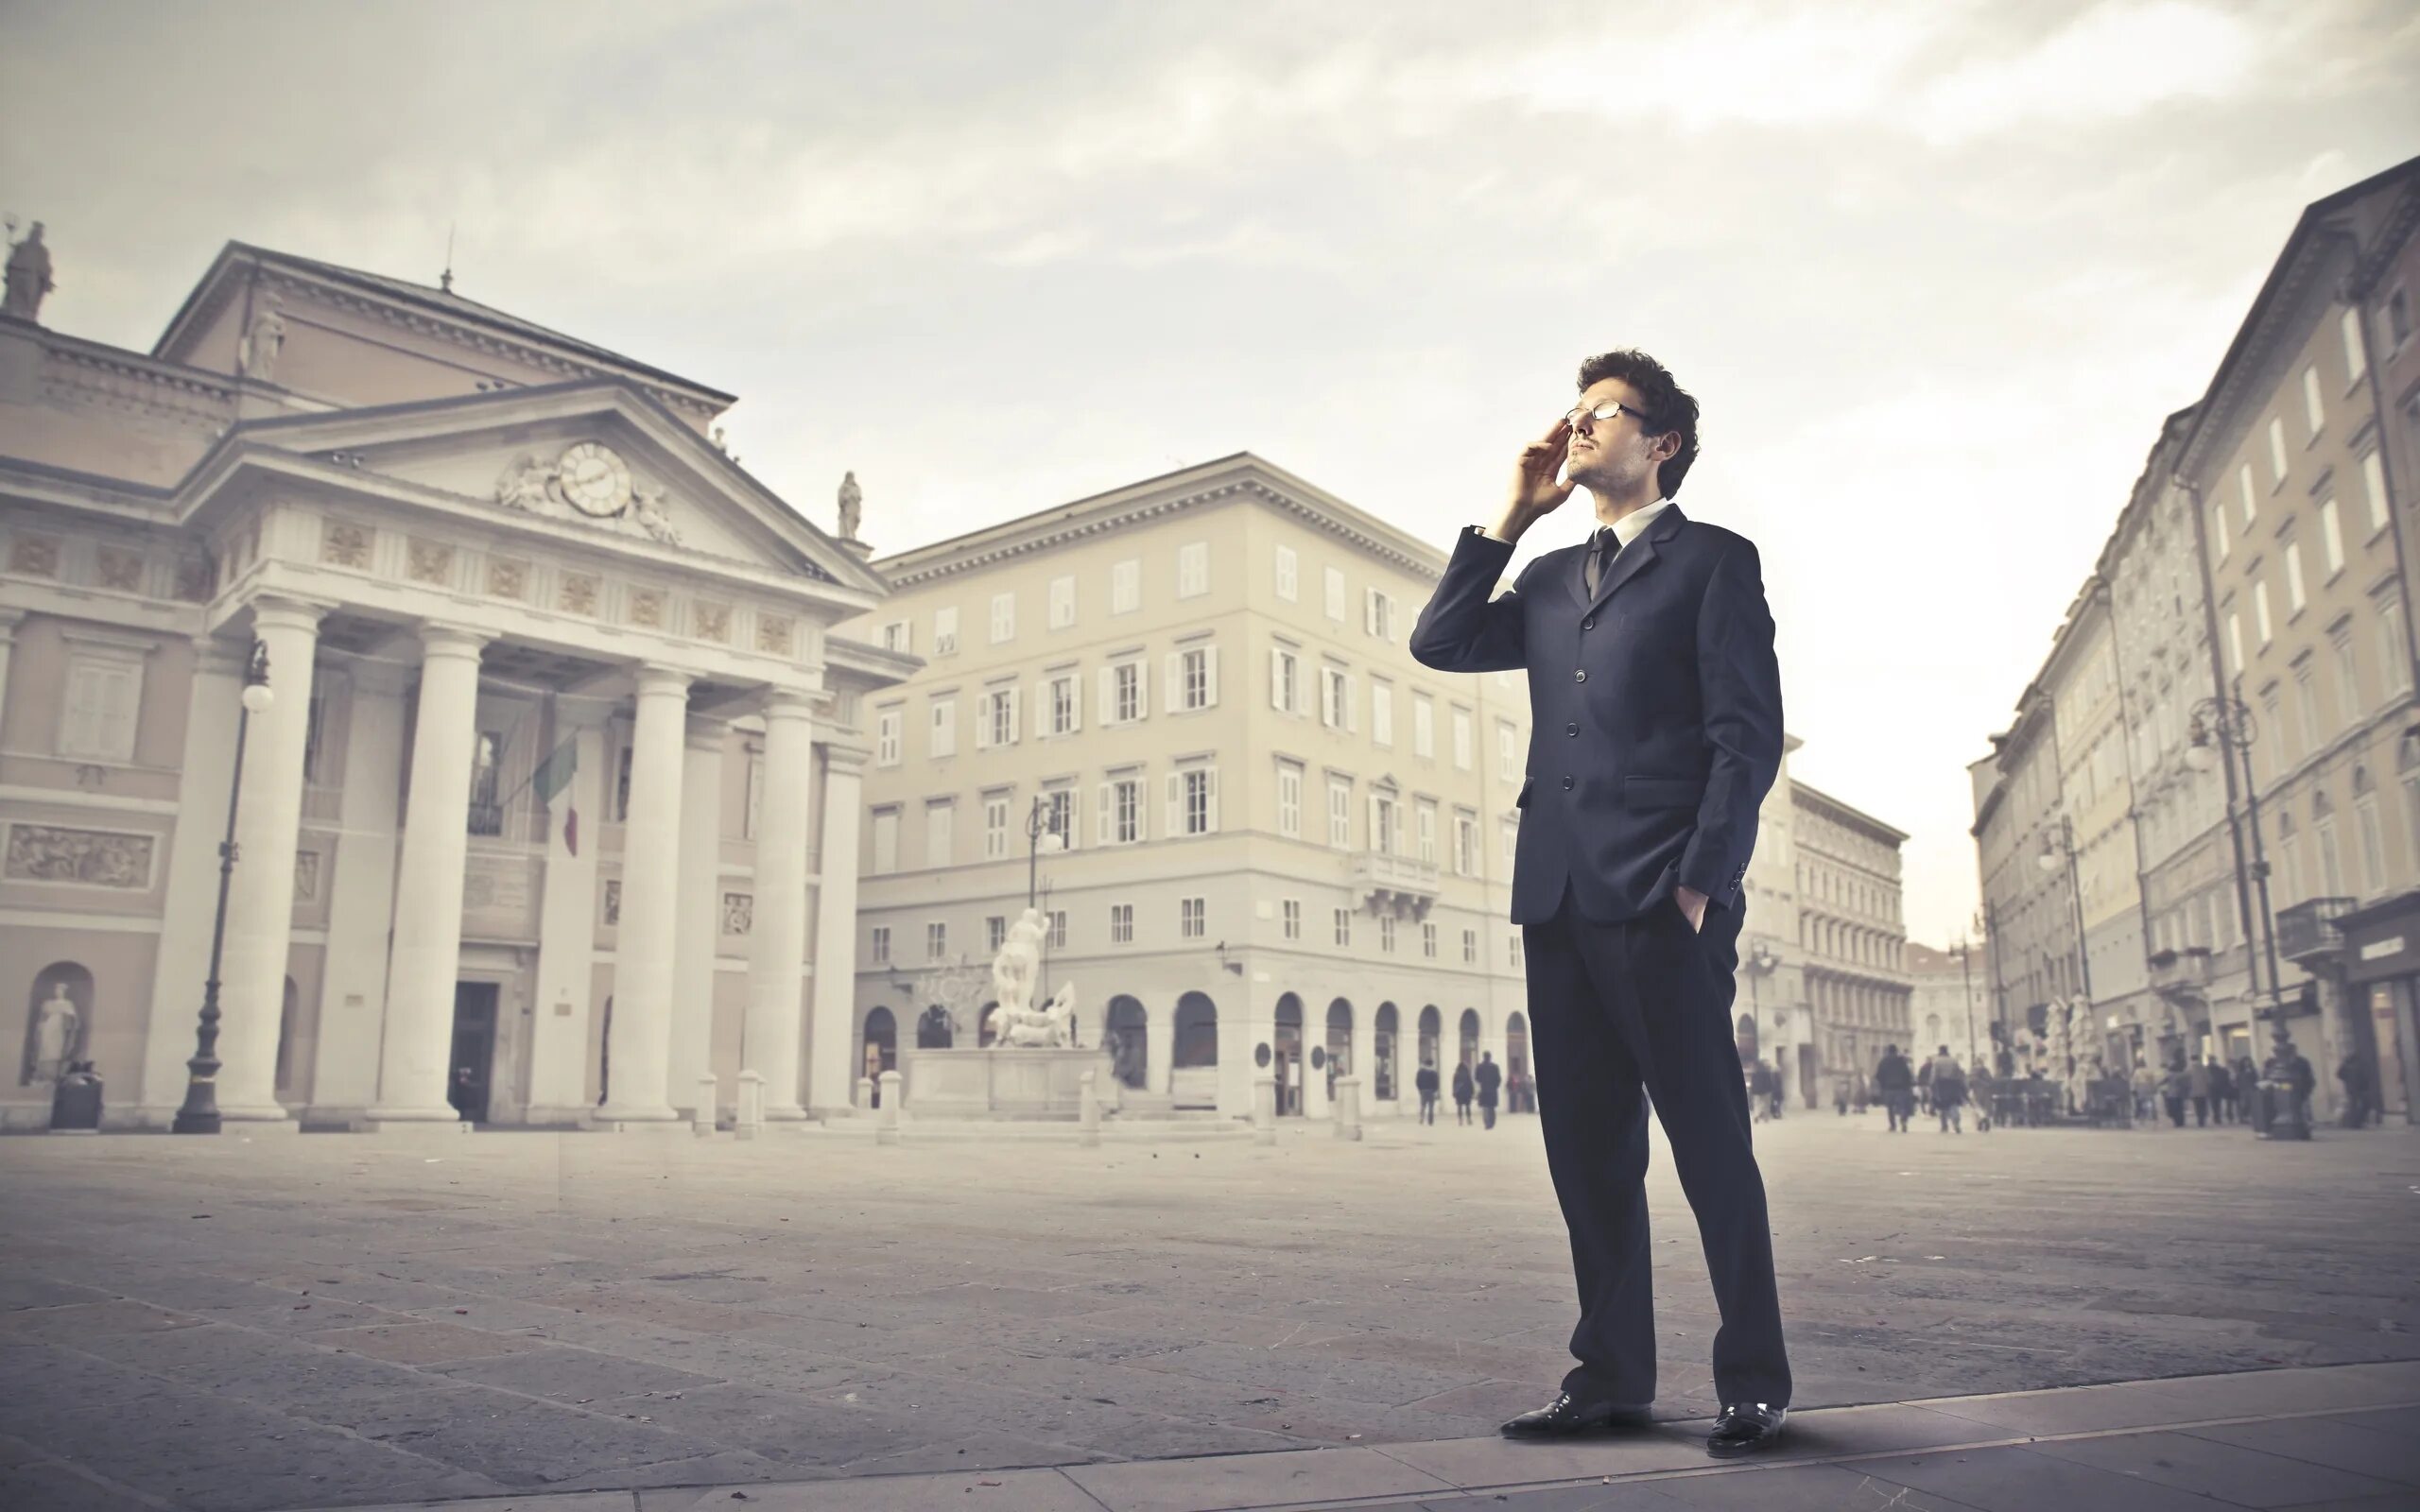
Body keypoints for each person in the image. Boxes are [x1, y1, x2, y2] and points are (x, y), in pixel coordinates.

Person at [1410, 349, 1790, 1459]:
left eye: (1600, 414)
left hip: (1660, 893)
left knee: (1708, 1140)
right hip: (1559, 895)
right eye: (1570, 414)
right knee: (1586, 1150)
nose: (1576, 428)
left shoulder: (1713, 560)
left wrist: (1699, 884)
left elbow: (1745, 737)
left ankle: (1754, 1381)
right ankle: (1610, 1376)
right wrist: (1511, 518)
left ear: (1660, 440)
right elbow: (1437, 641)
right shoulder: (1540, 581)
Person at [1874, 1044, 1914, 1133]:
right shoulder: (1901, 1061)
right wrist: (1907, 1084)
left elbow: (1879, 1075)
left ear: (1888, 1051)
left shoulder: (1884, 1061)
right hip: (1901, 1088)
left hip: (1889, 1088)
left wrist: (1883, 1085)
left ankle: (1893, 1125)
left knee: (1890, 1107)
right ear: (1896, 1051)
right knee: (1902, 1106)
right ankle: (1903, 1121)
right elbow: (1907, 1073)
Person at [1928, 1045, 1966, 1134]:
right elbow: (1959, 1073)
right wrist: (1962, 1085)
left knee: (1942, 1105)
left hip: (1941, 1084)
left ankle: (1944, 1125)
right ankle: (1956, 1123)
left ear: (1940, 1051)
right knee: (1953, 1104)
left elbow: (1934, 1075)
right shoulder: (1954, 1060)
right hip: (1953, 1084)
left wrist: (1932, 1085)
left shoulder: (1937, 1061)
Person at [1476, 1051, 1502, 1129]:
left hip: (1484, 1089)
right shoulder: (1495, 1067)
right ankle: (1492, 1122)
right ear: (1490, 1057)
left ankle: (1487, 1122)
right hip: (1492, 1090)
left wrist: (1482, 1082)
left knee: (1485, 1107)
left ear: (1483, 1057)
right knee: (1491, 1107)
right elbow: (1498, 1079)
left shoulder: (1480, 1067)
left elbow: (1476, 1078)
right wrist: (1495, 1086)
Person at [2160, 1055, 2189, 1128]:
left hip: (2172, 1094)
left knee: (2174, 1109)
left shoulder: (2170, 1075)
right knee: (2180, 1108)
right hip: (2180, 1093)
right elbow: (2186, 1084)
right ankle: (2181, 1122)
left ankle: (2177, 1122)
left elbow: (2164, 1081)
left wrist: (2157, 1085)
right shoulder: (2182, 1075)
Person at [2131, 1056, 2159, 1125]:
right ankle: (2154, 1115)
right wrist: (2154, 1088)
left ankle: (2141, 1116)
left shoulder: (2137, 1071)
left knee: (2140, 1102)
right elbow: (2153, 1080)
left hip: (2141, 1087)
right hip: (2149, 1086)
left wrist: (2133, 1089)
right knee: (2152, 1101)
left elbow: (2134, 1081)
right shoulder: (2149, 1070)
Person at [2187, 1054, 2212, 1127]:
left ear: (2191, 1060)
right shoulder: (2203, 1068)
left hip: (2194, 1090)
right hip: (2203, 1090)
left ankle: (2200, 1119)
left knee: (2197, 1106)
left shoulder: (2190, 1069)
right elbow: (2209, 1079)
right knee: (2203, 1105)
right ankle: (2202, 1119)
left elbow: (2186, 1079)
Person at [2209, 1057, 2236, 1124]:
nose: (2213, 1062)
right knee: (2214, 1104)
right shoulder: (2208, 1069)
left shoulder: (2220, 1069)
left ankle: (2218, 1117)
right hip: (2213, 1088)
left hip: (2218, 1088)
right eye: (2212, 1060)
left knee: (2217, 1104)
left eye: (2213, 1060)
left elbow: (2224, 1077)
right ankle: (2217, 1117)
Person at [1416, 1059, 1441, 1125]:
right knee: (1431, 1106)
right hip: (1431, 1091)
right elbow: (1436, 1082)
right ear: (1432, 1064)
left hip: (1423, 1090)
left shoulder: (1420, 1072)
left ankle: (1421, 1117)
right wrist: (1435, 1090)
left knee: (1423, 1105)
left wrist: (1420, 1089)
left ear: (1425, 1064)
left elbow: (1417, 1081)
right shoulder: (1434, 1072)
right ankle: (1430, 1121)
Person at [1451, 1059, 1475, 1125]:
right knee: (1468, 1106)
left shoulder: (1456, 1075)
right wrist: (1472, 1092)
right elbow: (1470, 1084)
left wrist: (1454, 1092)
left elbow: (1454, 1084)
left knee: (1459, 1106)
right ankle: (1469, 1119)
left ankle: (1460, 1120)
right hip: (1467, 1093)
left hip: (1459, 1093)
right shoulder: (1467, 1074)